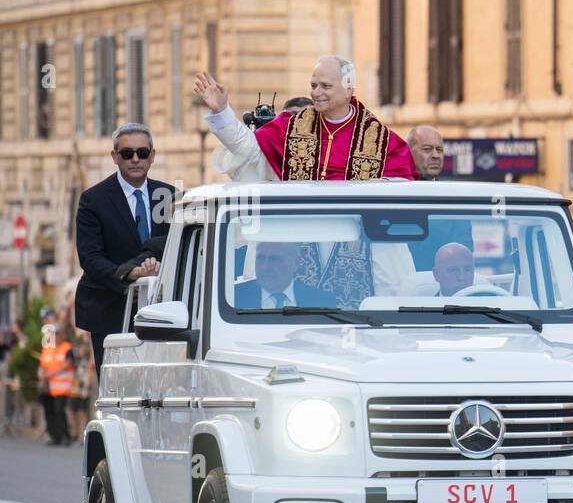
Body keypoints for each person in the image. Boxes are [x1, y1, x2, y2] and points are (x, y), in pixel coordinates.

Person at [194, 56, 416, 181]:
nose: (316, 92)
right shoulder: (291, 127)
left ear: (349, 89)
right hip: (298, 240)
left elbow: (402, 186)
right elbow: (247, 148)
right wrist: (222, 111)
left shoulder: (379, 139)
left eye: (326, 86)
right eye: (313, 85)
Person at [74, 122, 175, 369]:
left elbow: (178, 246)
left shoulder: (171, 196)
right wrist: (132, 272)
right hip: (110, 311)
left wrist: (157, 267)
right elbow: (90, 257)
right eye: (127, 153)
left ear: (152, 156)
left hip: (163, 313)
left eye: (142, 152)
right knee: (115, 390)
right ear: (115, 157)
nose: (135, 159)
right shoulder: (93, 200)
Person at [234, 243, 339, 309]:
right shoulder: (234, 297)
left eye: (275, 259)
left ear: (296, 263)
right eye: (261, 258)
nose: (265, 267)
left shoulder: (323, 301)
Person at [37, 325, 75, 446]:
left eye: (57, 334)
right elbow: (42, 365)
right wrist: (40, 374)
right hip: (48, 387)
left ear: (61, 335)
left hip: (61, 387)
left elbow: (69, 363)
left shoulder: (67, 348)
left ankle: (65, 436)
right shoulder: (48, 348)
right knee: (49, 411)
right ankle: (54, 436)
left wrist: (52, 373)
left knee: (59, 410)